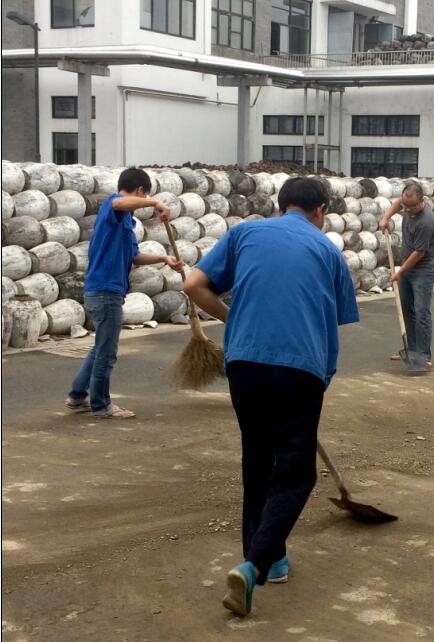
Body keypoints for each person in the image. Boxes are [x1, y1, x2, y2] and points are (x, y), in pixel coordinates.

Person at [183, 177, 359, 616]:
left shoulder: (245, 233)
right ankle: (254, 565)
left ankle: (271, 560)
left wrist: (235, 318)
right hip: (300, 368)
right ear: (320, 211)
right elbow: (331, 323)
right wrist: (323, 377)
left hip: (245, 363)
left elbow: (194, 285)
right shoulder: (327, 251)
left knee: (258, 459)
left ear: (281, 206)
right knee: (296, 472)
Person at [65, 167, 183, 419]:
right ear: (140, 190)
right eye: (145, 195)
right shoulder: (114, 205)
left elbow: (135, 257)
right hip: (105, 291)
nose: (145, 201)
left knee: (101, 347)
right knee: (107, 352)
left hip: (107, 291)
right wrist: (156, 202)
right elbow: (120, 202)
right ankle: (101, 405)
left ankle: (77, 396)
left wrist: (164, 258)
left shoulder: (126, 222)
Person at [378, 181, 434, 368]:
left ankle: (423, 354)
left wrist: (400, 271)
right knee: (406, 309)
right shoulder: (406, 204)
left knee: (421, 311)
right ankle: (411, 350)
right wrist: (386, 218)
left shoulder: (427, 221)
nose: (407, 210)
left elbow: (419, 253)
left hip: (423, 270)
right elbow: (398, 203)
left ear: (422, 201)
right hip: (407, 267)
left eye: (412, 207)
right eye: (405, 206)